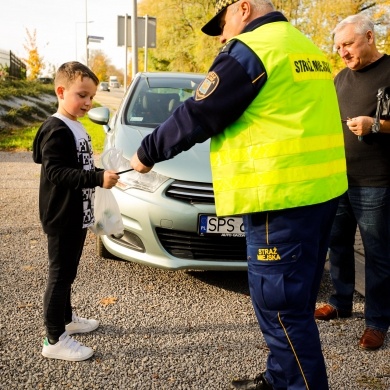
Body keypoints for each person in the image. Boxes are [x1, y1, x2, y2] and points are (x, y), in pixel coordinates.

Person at [130, 1, 347, 388]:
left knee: (282, 312)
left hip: (278, 200)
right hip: (320, 195)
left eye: (224, 25)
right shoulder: (305, 47)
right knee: (293, 304)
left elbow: (198, 112)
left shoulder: (252, 49)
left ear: (243, 8)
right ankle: (278, 378)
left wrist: (147, 153)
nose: (223, 36)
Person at [32, 61, 119, 361]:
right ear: (61, 91)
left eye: (91, 97)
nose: (88, 102)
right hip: (61, 216)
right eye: (82, 95)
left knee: (68, 273)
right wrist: (96, 178)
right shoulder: (56, 128)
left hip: (76, 214)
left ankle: (66, 319)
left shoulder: (75, 125)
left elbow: (78, 167)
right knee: (59, 276)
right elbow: (56, 172)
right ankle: (54, 339)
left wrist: (100, 173)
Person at [314, 14, 390, 351]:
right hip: (339, 178)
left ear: (370, 37)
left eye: (348, 44)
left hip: (377, 181)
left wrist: (376, 125)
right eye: (339, 47)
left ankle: (376, 322)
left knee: (378, 254)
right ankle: (341, 301)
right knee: (337, 243)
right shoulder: (339, 79)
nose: (342, 52)